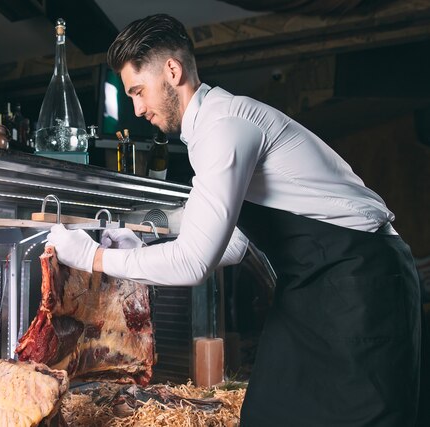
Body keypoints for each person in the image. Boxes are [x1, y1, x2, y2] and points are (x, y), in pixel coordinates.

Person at [46, 14, 428, 427]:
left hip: (361, 284)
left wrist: (94, 257)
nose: (136, 109)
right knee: (269, 413)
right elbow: (235, 242)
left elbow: (195, 262)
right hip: (317, 282)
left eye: (139, 91)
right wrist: (146, 249)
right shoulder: (211, 129)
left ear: (172, 71)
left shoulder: (224, 127)